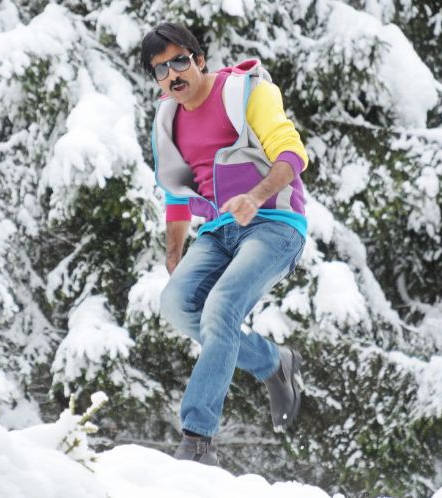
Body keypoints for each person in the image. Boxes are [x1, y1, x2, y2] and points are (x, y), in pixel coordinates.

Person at [141, 22, 309, 465]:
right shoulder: (168, 119)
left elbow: (292, 154)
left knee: (221, 308)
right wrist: (174, 254)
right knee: (176, 305)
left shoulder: (246, 92)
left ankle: (197, 440)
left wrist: (256, 196)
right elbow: (176, 192)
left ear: (199, 59)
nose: (173, 74)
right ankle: (272, 361)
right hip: (218, 231)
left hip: (275, 225)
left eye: (180, 61)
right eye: (161, 69)